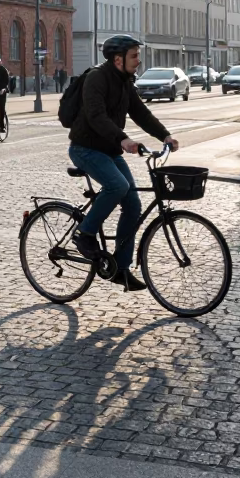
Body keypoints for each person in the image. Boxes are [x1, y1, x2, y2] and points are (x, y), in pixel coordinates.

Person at [69, 34, 179, 292]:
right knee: (117, 186)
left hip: (109, 150)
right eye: (134, 56)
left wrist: (165, 135)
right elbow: (96, 116)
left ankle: (121, 267)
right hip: (85, 148)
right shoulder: (97, 77)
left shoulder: (125, 81)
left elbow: (140, 112)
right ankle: (84, 234)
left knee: (133, 203)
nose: (138, 61)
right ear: (118, 59)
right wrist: (124, 140)